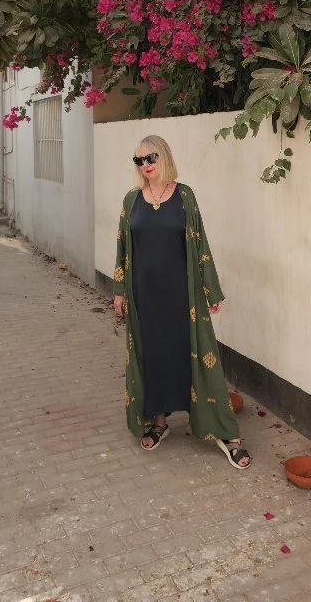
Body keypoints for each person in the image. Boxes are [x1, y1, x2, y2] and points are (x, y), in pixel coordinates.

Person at [113, 134, 251, 469]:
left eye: (151, 157)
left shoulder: (184, 196)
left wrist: (210, 290)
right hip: (144, 296)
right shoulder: (131, 200)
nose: (145, 165)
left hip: (182, 296)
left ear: (164, 157)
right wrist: (119, 291)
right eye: (139, 160)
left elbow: (200, 244)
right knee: (153, 357)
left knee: (195, 357)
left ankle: (223, 431)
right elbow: (122, 248)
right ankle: (159, 423)